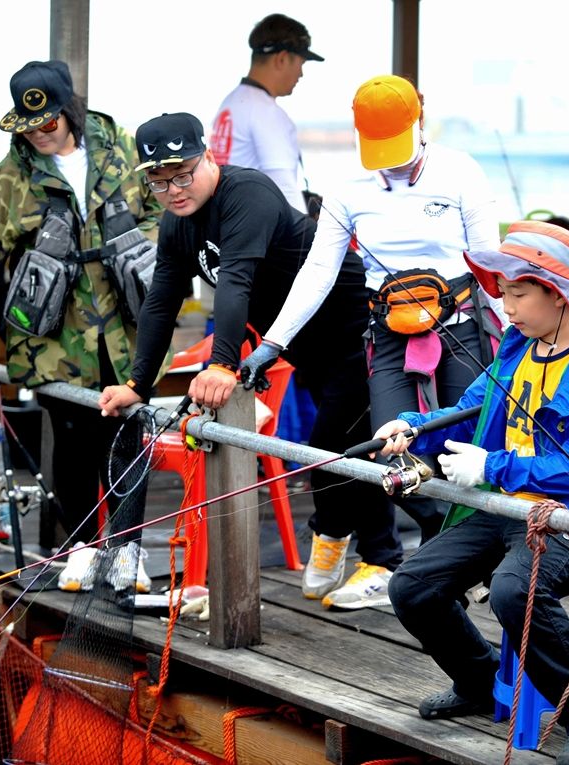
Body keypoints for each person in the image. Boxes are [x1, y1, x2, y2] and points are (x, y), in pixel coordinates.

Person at [372, 221, 569, 765]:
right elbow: (469, 410)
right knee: (412, 585)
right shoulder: (517, 347)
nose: (505, 307)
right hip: (509, 507)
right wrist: (413, 425)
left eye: (518, 294)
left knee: (512, 592)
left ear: (558, 295)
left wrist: (490, 465)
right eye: (502, 292)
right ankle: (480, 681)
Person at [96, 113, 386, 600]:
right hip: (298, 340)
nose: (173, 191)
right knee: (343, 444)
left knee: (335, 442)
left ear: (209, 157)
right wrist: (137, 385)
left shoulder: (246, 193)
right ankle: (355, 542)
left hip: (352, 326)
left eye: (182, 175)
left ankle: (375, 554)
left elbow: (235, 281)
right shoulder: (177, 225)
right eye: (159, 182)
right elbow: (161, 302)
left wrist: (222, 364)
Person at [246, 74, 504, 610]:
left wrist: (519, 339)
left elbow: (490, 266)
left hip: (460, 326)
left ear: (419, 120)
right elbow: (318, 271)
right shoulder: (348, 188)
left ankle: (463, 567)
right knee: (394, 452)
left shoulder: (461, 171)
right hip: (388, 332)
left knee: (462, 447)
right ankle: (425, 564)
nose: (390, 161)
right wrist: (272, 343)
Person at [0, 60, 161, 589]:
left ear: (70, 111)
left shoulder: (122, 147)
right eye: (28, 126)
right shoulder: (11, 176)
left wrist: (139, 246)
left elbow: (165, 208)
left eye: (48, 122)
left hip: (126, 332)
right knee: (71, 443)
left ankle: (127, 550)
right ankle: (80, 548)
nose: (39, 133)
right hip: (53, 339)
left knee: (129, 436)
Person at [211, 13, 323, 214]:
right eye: (301, 63)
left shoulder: (230, 103)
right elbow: (284, 186)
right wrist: (307, 229)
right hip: (256, 224)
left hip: (227, 218)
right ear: (282, 59)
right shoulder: (266, 112)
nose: (301, 74)